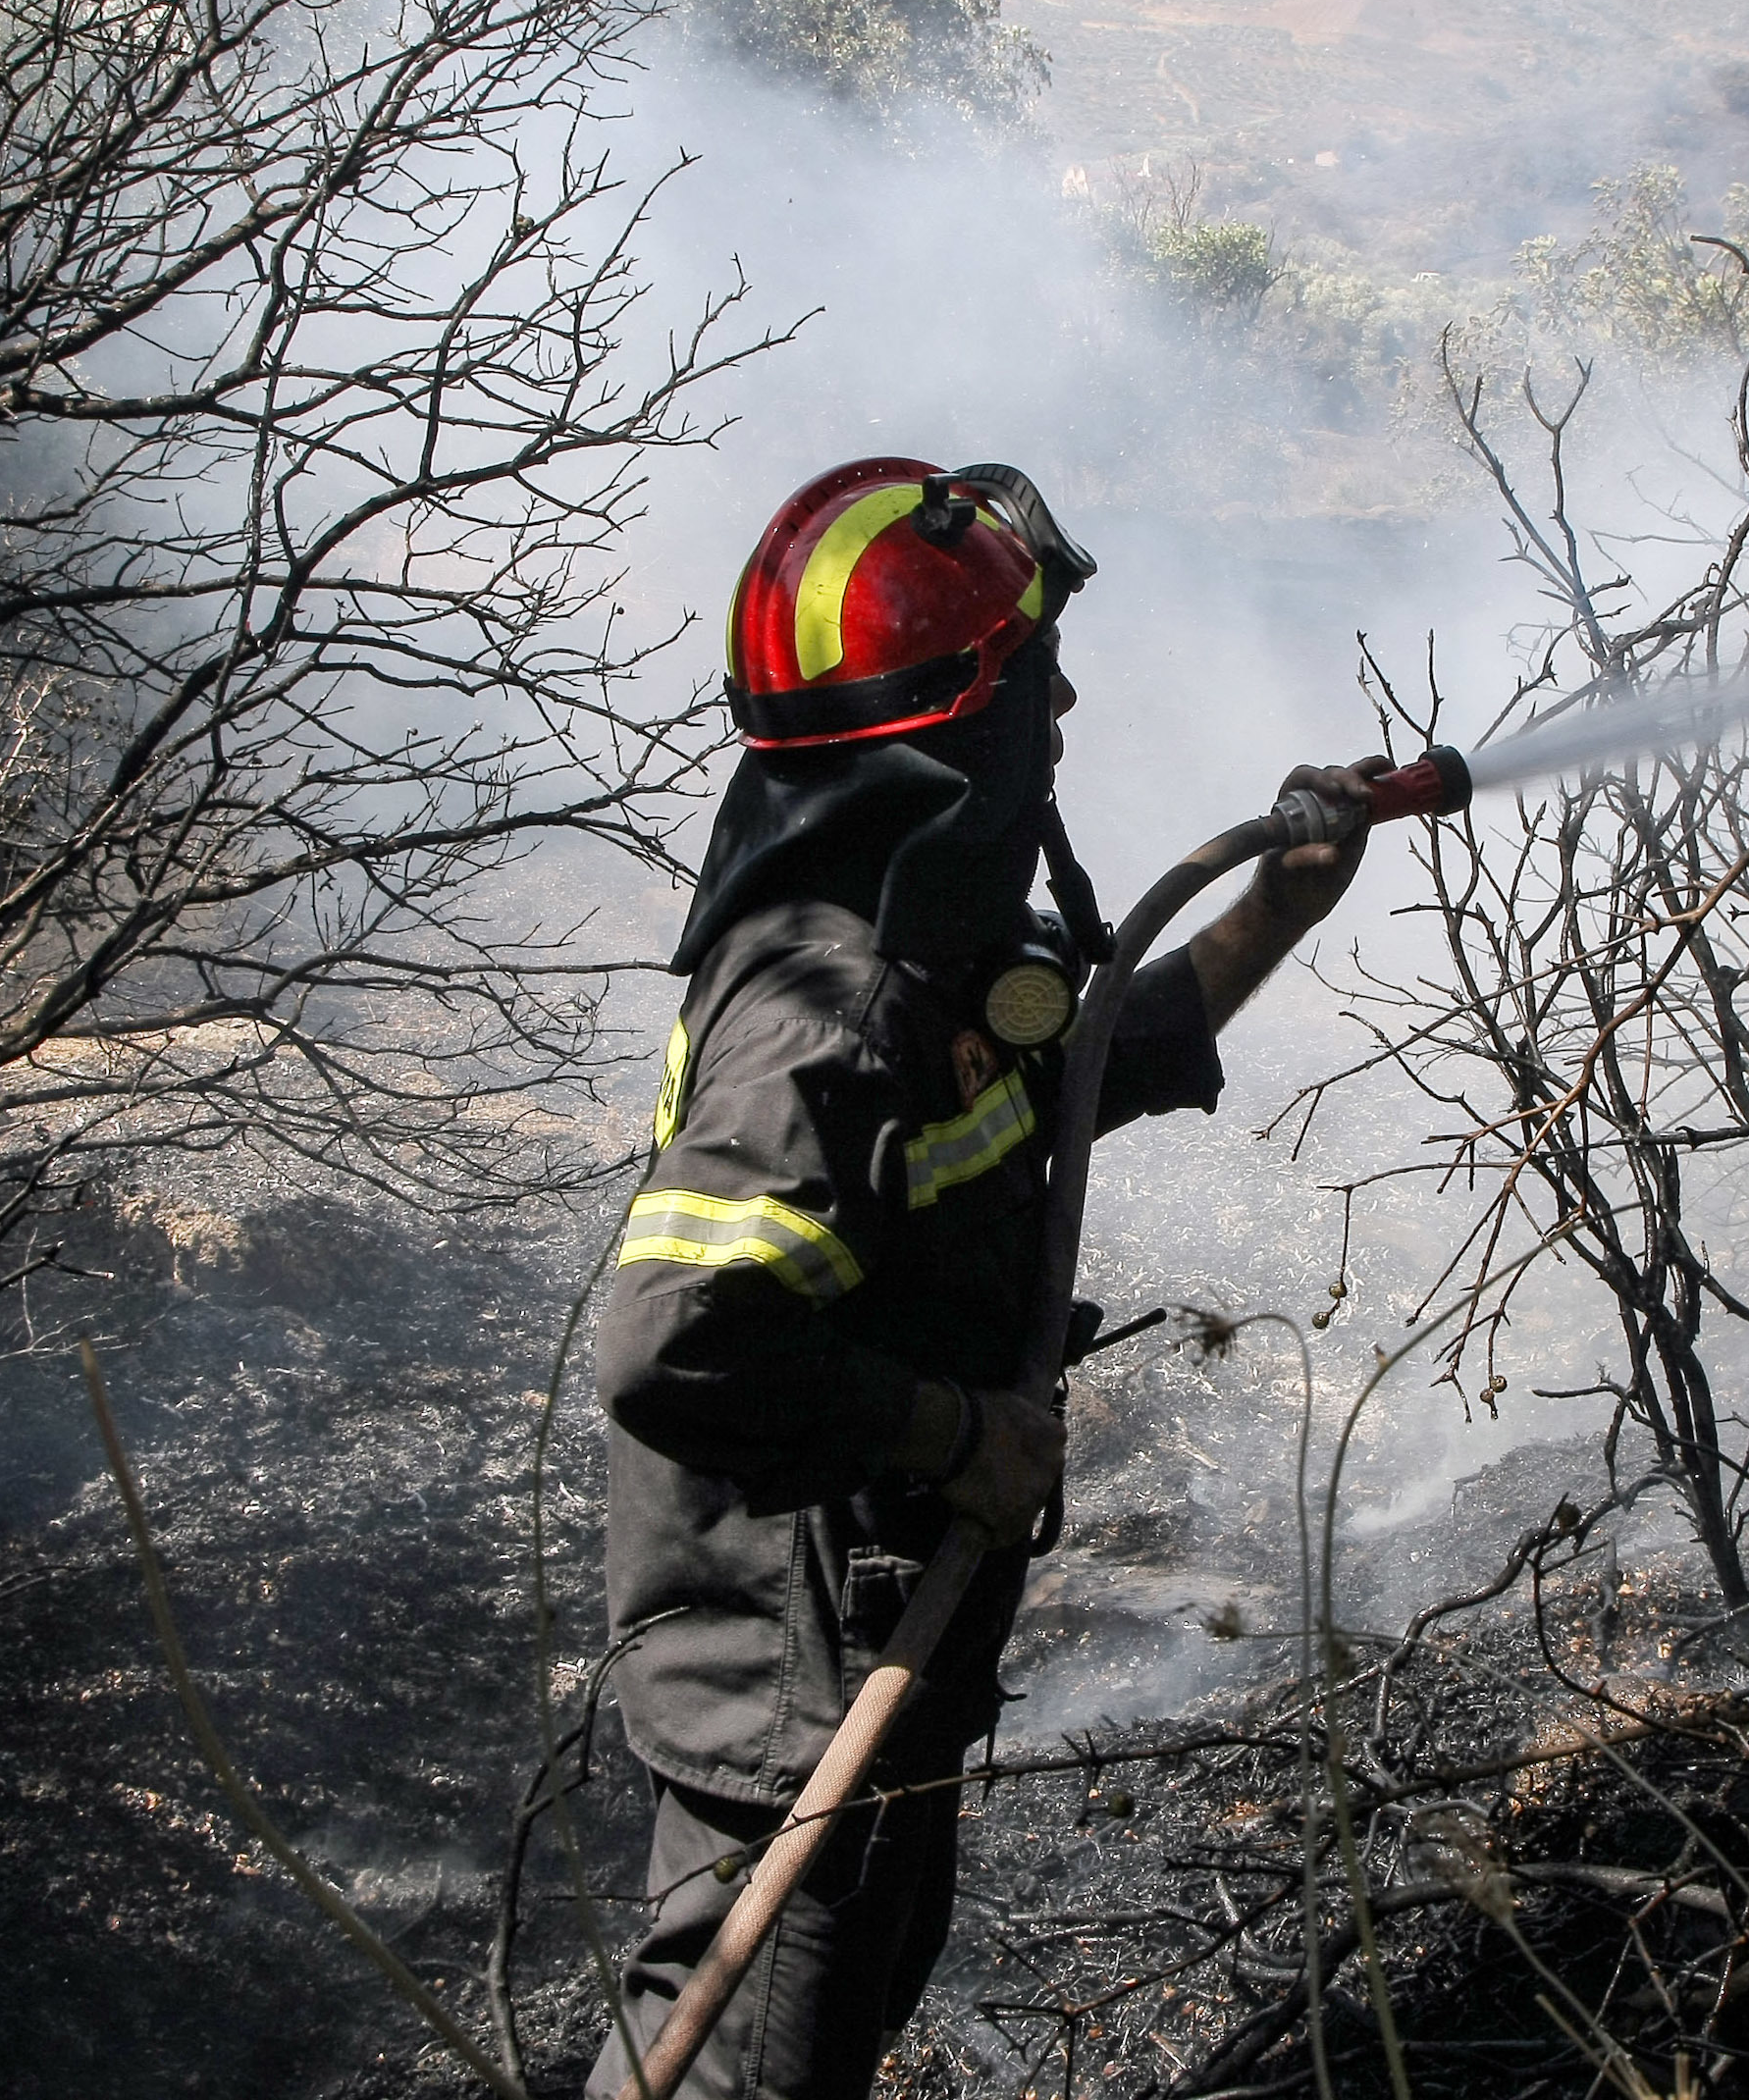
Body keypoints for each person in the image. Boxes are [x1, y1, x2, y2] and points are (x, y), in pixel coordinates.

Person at [586, 457, 1376, 2100]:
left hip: (873, 1659)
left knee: (822, 2034)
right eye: (1032, 669)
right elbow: (672, 1343)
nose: (1067, 695)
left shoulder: (916, 944)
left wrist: (1279, 905)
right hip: (795, 1684)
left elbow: (1071, 1072)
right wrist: (955, 1434)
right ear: (957, 719)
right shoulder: (832, 1006)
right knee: (735, 2073)